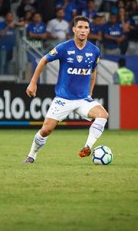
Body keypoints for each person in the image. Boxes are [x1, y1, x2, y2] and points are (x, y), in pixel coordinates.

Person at [23, 15, 109, 163]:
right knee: (46, 130)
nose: (83, 30)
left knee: (103, 115)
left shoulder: (94, 51)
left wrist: (90, 92)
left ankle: (87, 147)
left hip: (83, 99)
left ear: (89, 31)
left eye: (86, 28)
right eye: (80, 27)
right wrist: (33, 83)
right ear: (74, 29)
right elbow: (43, 60)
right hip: (63, 99)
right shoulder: (64, 47)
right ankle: (31, 155)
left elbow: (93, 71)